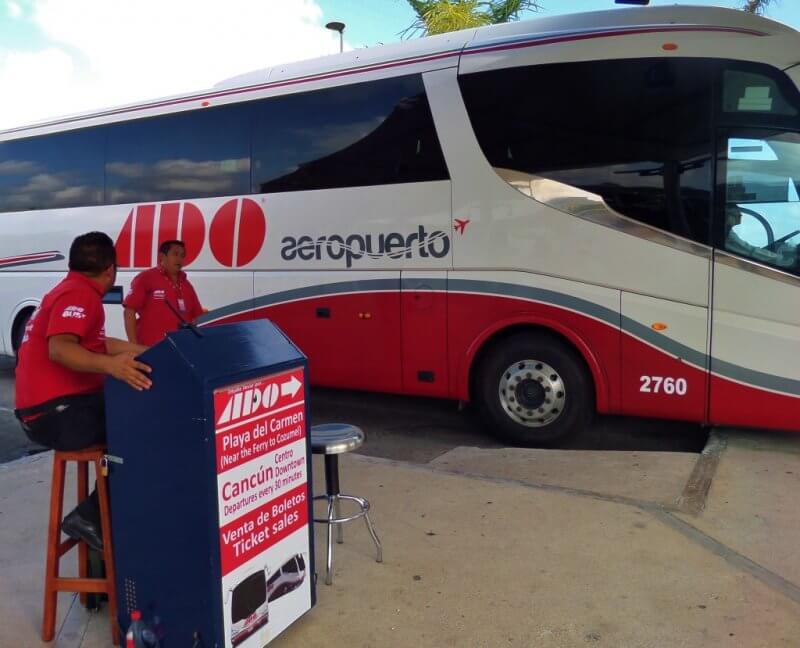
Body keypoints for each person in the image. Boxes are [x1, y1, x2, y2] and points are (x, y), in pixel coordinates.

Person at [14, 232, 152, 551]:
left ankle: (103, 515)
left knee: (136, 413)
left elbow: (99, 344)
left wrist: (148, 351)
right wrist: (111, 367)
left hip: (50, 411)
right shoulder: (80, 294)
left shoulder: (71, 289)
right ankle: (92, 516)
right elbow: (60, 349)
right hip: (55, 415)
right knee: (146, 428)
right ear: (110, 270)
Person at [123, 240, 204, 346]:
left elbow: (196, 317)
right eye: (175, 254)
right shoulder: (146, 278)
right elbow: (129, 311)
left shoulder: (187, 285)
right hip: (150, 349)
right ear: (162, 256)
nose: (179, 259)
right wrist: (133, 346)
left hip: (181, 349)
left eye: (182, 255)